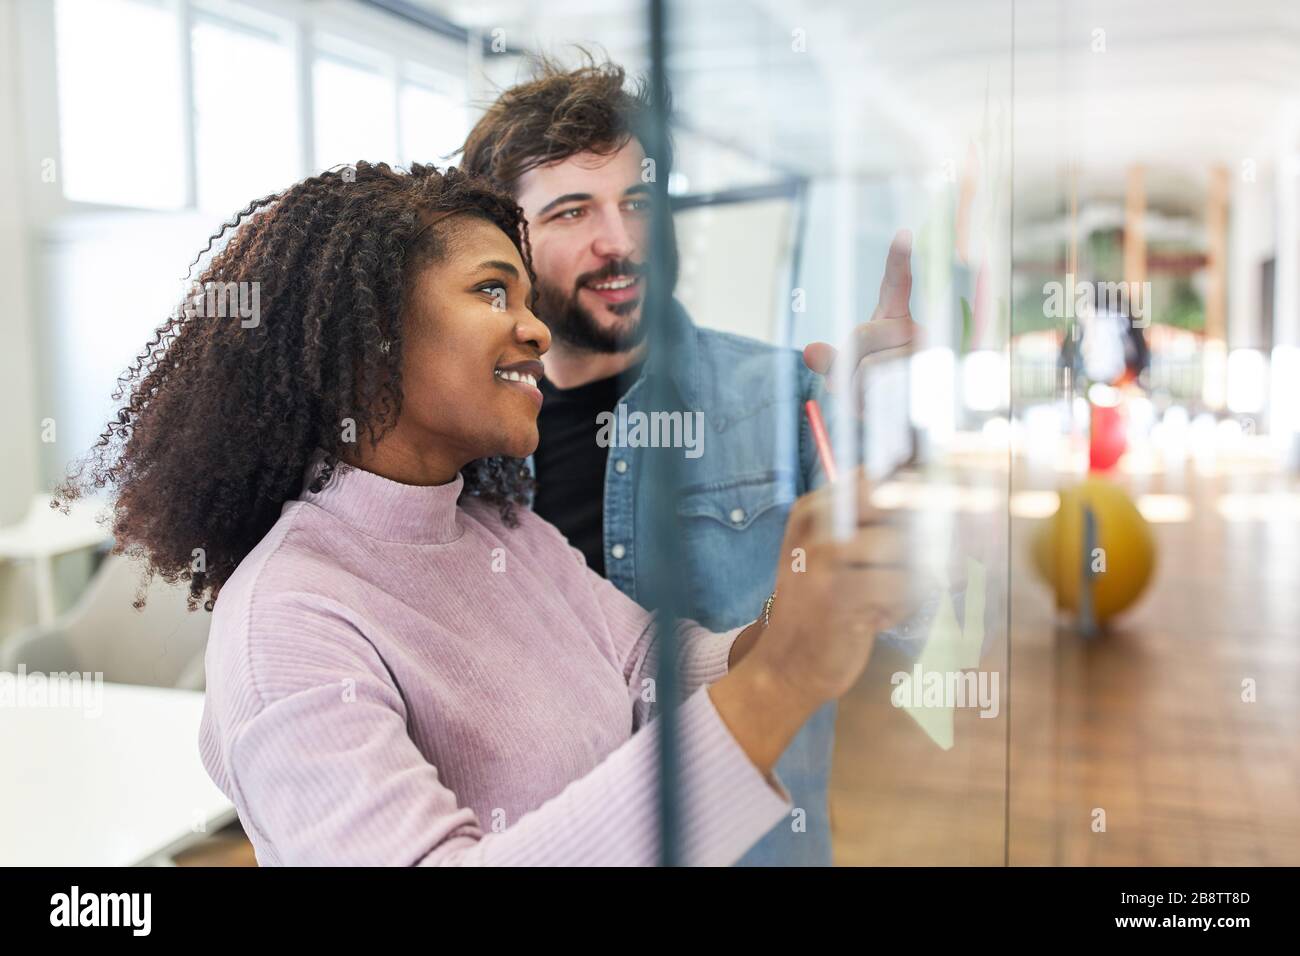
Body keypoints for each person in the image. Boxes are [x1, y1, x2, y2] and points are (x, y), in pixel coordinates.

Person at [57, 162, 919, 866]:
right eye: (492, 293)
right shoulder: (287, 622)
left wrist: (794, 616)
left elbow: (654, 668)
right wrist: (783, 680)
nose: (536, 331)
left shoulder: (505, 532)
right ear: (369, 342)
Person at [459, 57, 916, 865]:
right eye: (571, 211)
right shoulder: (467, 442)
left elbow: (925, 624)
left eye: (639, 201)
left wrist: (899, 453)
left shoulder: (788, 397)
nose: (618, 239)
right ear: (507, 242)